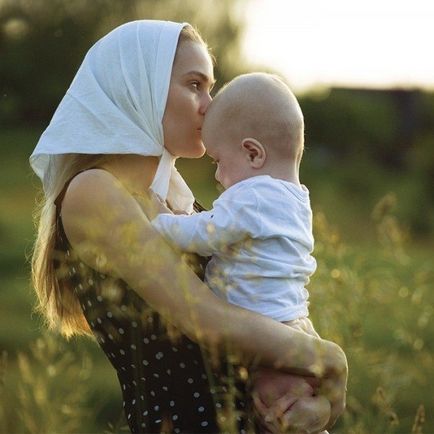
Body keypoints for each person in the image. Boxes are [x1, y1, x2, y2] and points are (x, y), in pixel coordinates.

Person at [30, 20, 347, 434]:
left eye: (210, 87)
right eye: (194, 85)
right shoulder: (94, 190)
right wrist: (331, 360)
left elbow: (265, 303)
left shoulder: (178, 199)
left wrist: (315, 402)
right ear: (137, 87)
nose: (209, 104)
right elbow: (205, 319)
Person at [149, 72, 333, 433]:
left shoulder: (254, 195)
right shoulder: (295, 198)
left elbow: (207, 234)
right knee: (291, 411)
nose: (217, 175)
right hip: (291, 321)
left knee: (274, 411)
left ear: (252, 153)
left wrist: (162, 221)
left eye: (219, 160)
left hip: (265, 329)